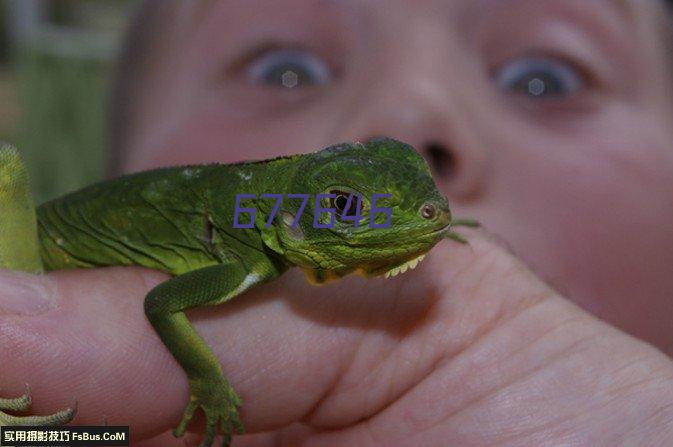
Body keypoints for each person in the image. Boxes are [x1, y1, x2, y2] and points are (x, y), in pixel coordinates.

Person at [2, 0, 673, 445]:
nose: (415, 108)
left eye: (541, 79)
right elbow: (161, 301)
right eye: (287, 70)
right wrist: (207, 379)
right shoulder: (238, 266)